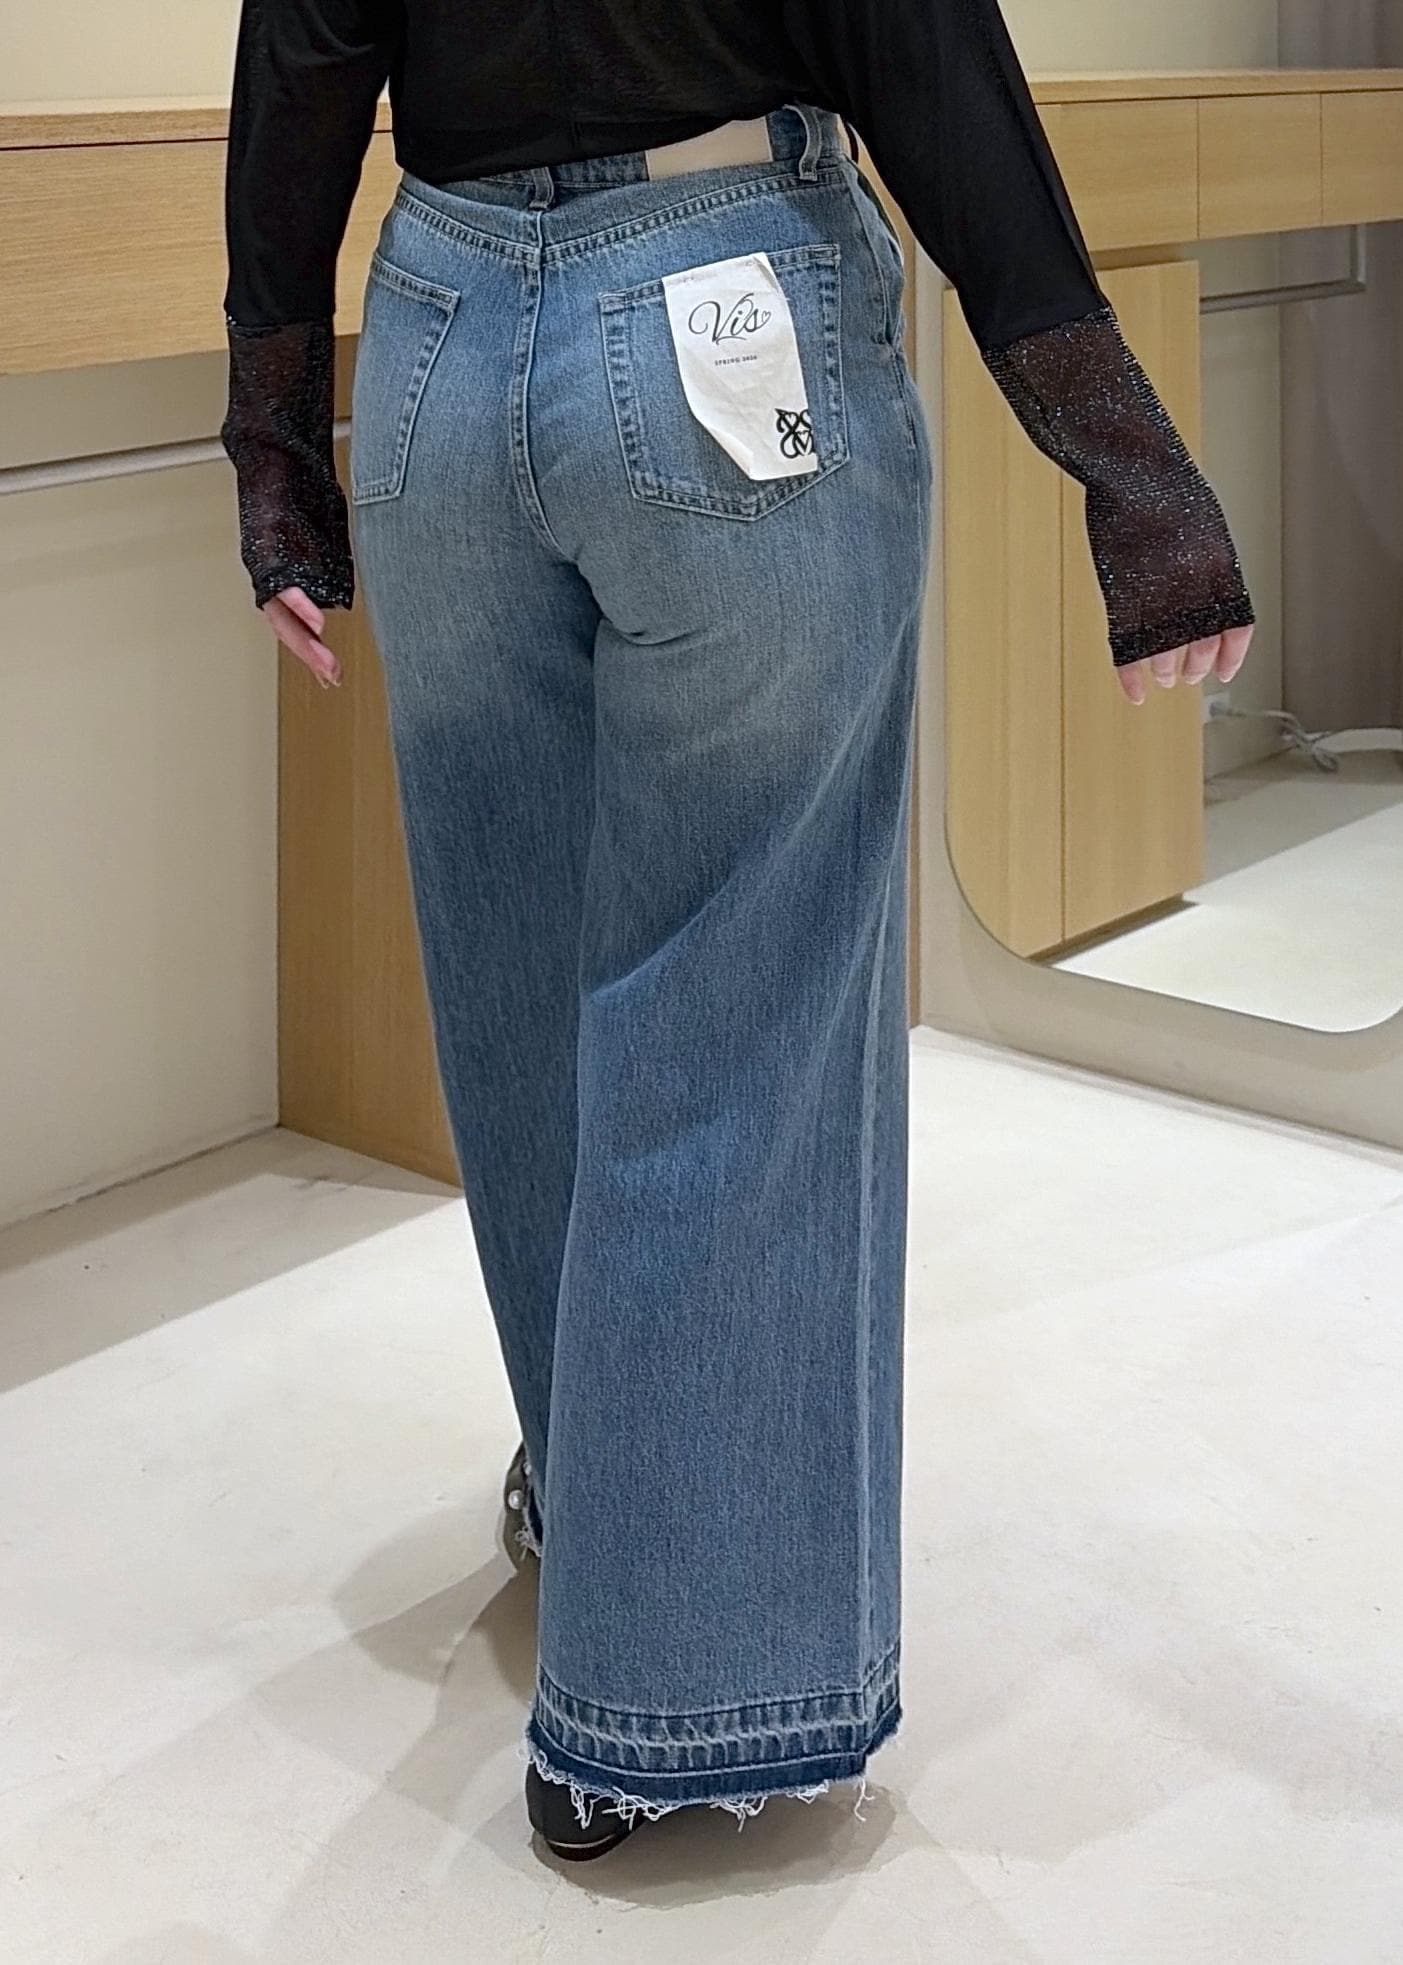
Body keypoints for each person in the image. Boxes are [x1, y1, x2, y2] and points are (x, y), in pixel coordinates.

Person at [219, 0, 1256, 1862]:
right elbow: (918, 42)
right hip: (721, 309)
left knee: (524, 992)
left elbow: (304, 38)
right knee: (737, 997)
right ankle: (665, 1702)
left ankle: (605, 1508)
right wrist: (1129, 464)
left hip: (441, 331)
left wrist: (275, 434)